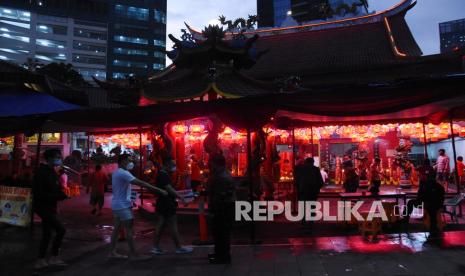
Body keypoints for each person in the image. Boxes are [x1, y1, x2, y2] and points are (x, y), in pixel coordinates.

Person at [109, 154, 167, 260]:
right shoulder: (124, 173)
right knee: (129, 230)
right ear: (122, 162)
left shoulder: (116, 173)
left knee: (116, 230)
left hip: (117, 205)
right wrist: (159, 190)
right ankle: (134, 255)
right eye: (128, 160)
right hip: (123, 206)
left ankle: (112, 252)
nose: (131, 163)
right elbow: (141, 183)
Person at [33, 148, 68, 269]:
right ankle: (53, 257)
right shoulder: (41, 172)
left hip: (51, 206)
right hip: (43, 207)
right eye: (57, 157)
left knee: (47, 233)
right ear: (49, 158)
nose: (59, 159)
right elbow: (38, 193)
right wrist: (58, 196)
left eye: (59, 157)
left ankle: (41, 259)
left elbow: (56, 188)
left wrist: (62, 194)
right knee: (61, 230)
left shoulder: (53, 172)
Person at [150, 158, 193, 255]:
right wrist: (181, 197)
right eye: (173, 164)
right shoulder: (163, 175)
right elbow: (169, 189)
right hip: (167, 203)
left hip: (162, 202)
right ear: (167, 164)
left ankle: (155, 247)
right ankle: (178, 247)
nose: (174, 166)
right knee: (172, 225)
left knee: (160, 225)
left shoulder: (163, 174)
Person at [207, 154, 236, 264]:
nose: (210, 166)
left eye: (212, 163)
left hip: (223, 209)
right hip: (225, 207)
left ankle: (223, 256)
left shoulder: (221, 177)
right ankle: (219, 253)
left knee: (221, 233)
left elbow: (219, 196)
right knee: (220, 233)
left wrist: (213, 210)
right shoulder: (222, 174)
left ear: (216, 164)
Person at [402, 171, 445, 235]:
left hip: (427, 204)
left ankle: (406, 219)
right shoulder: (440, 187)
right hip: (437, 205)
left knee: (410, 202)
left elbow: (420, 197)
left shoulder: (425, 185)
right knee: (430, 208)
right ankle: (433, 226)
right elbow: (442, 197)